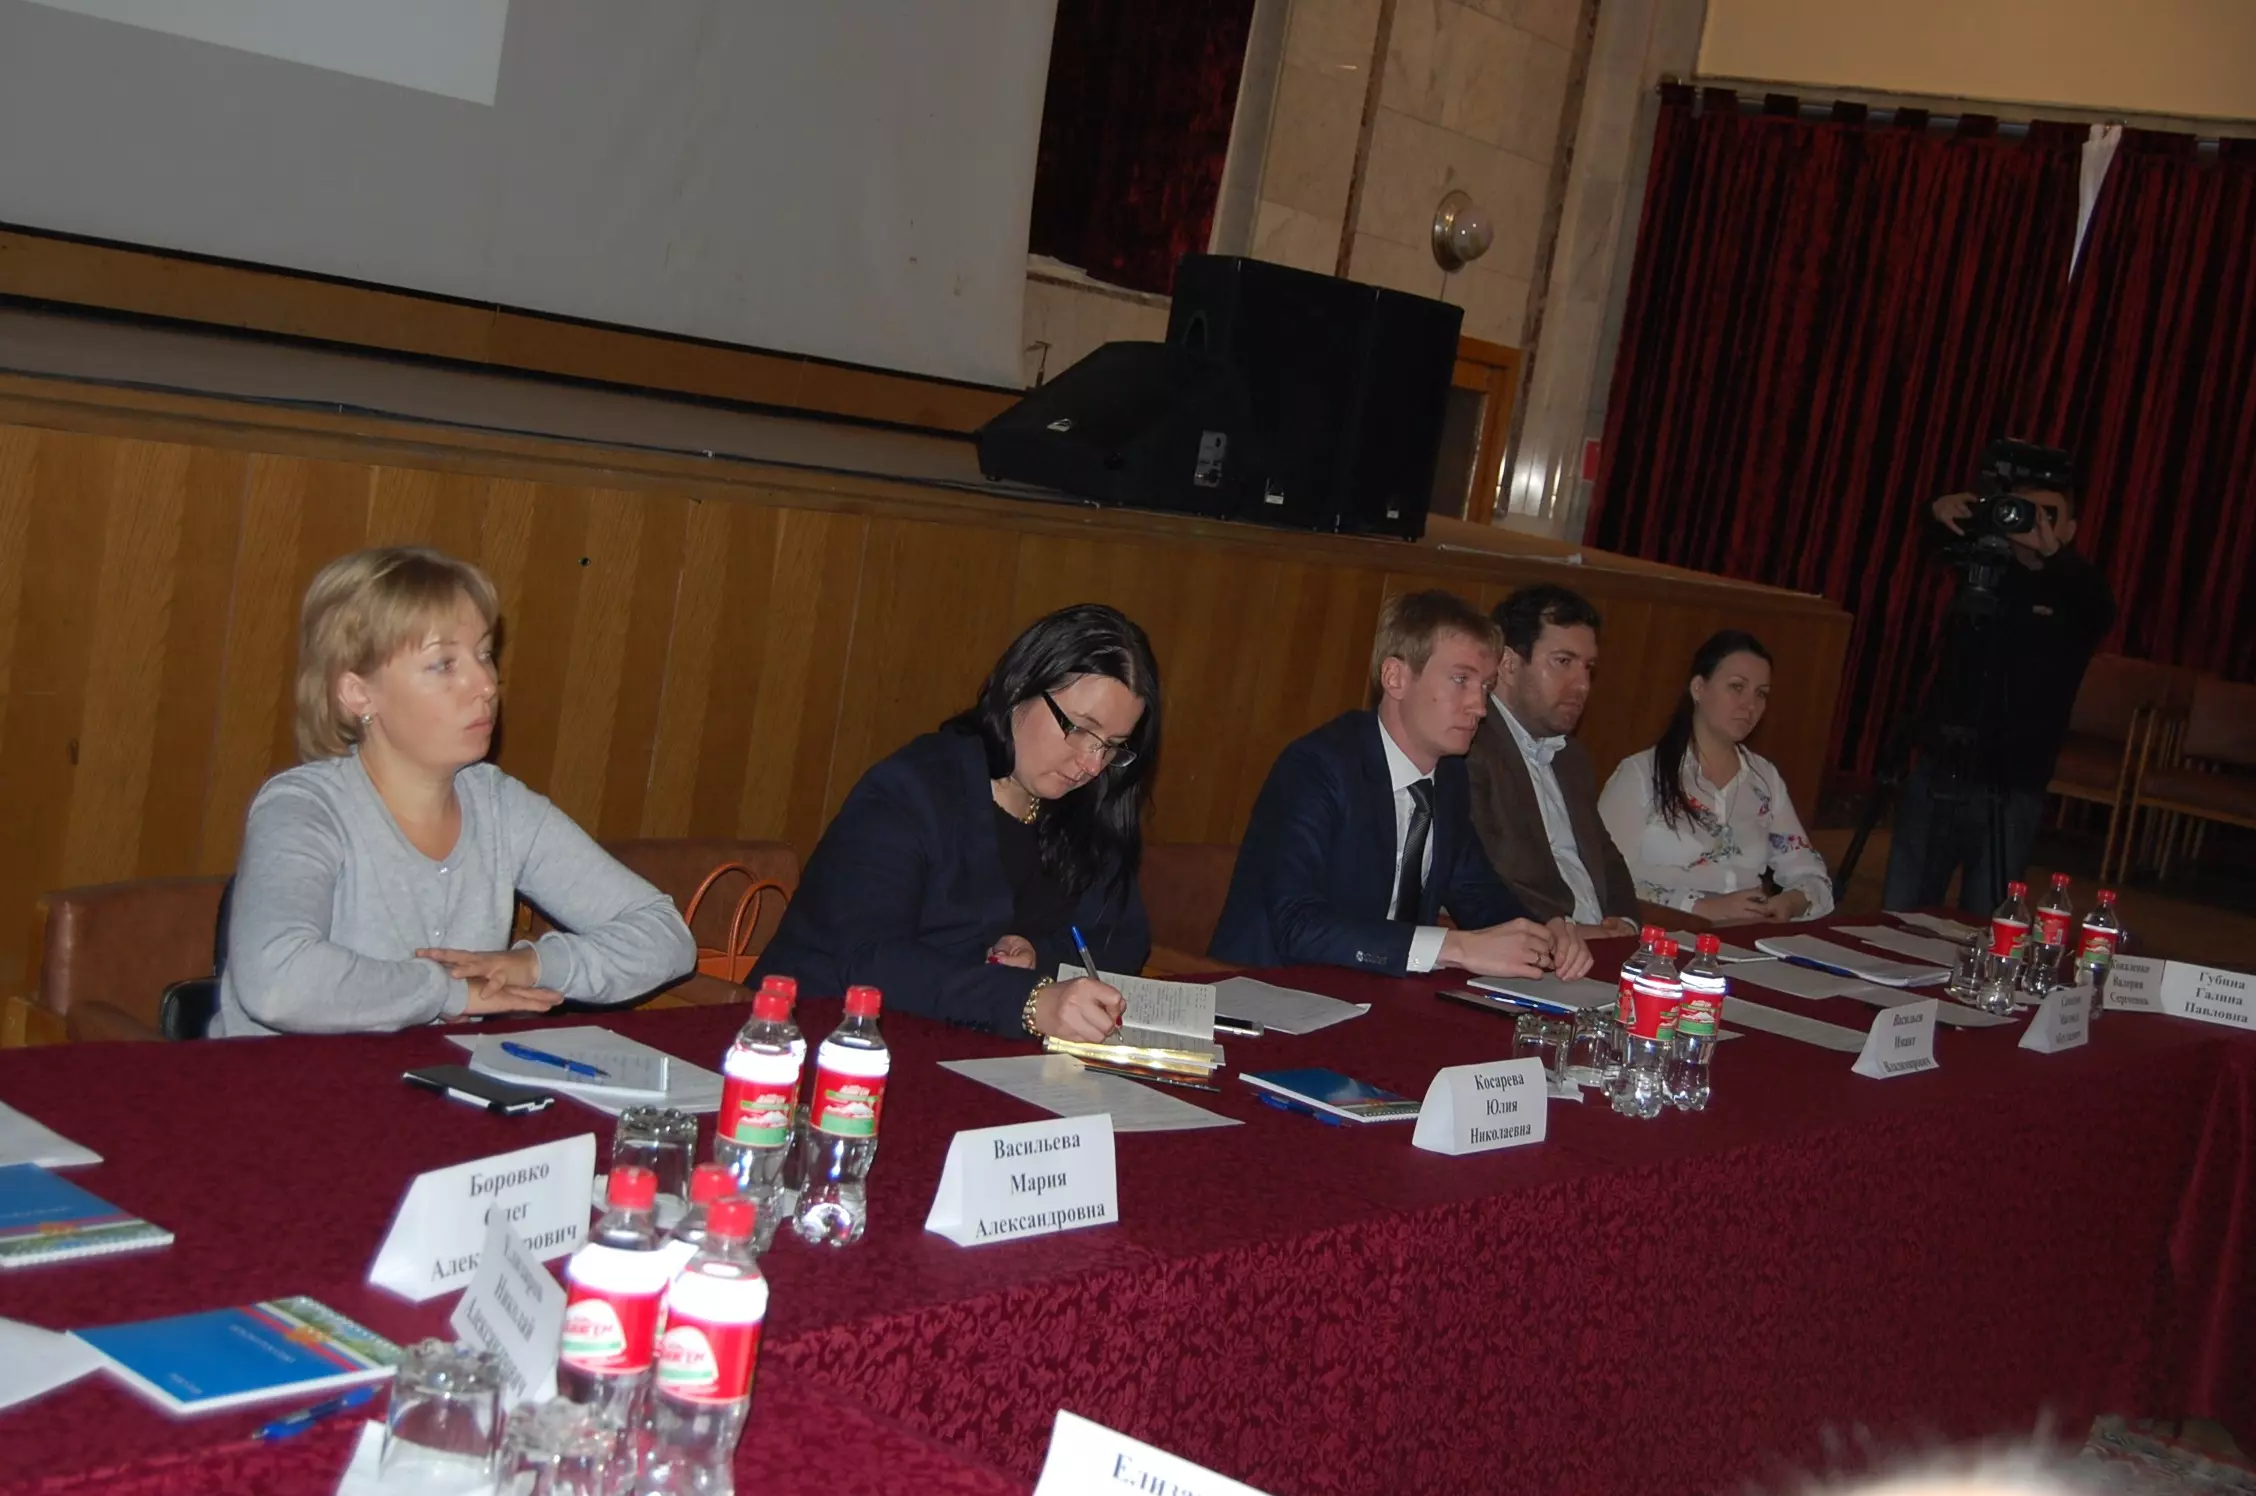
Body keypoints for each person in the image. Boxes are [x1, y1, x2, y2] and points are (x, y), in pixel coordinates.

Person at [216, 548, 695, 1037]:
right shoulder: (302, 808)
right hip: (279, 1080)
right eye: (443, 664)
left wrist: (533, 965)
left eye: (483, 654)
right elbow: (276, 983)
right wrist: (446, 992)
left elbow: (665, 935)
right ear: (358, 694)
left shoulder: (500, 807)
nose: (485, 684)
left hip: (429, 1079)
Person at [755, 605, 1156, 1039]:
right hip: (818, 1035)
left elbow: (1121, 939)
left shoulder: (1086, 804)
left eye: (1112, 745)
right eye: (1079, 729)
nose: (1092, 764)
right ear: (1020, 688)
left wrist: (1037, 956)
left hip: (966, 1051)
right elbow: (870, 959)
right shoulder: (914, 788)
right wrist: (1028, 1000)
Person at [1210, 590, 1592, 980]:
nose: (1479, 708)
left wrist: (1546, 933)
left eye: (1485, 687)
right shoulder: (1316, 768)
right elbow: (1297, 926)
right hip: (1267, 990)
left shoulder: (1449, 775)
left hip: (1373, 994)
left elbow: (1477, 892)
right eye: (1461, 680)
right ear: (1395, 678)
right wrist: (1454, 947)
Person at [1881, 474, 2115, 917]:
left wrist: (2053, 556)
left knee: (1988, 914)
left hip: (2014, 781)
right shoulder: (1985, 572)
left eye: (2050, 515)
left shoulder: (2076, 593)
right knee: (1903, 907)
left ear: (2070, 529)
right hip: (1942, 765)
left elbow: (2101, 607)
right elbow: (1931, 543)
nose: (2035, 523)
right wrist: (1937, 507)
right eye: (2025, 511)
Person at [1598, 630, 1834, 923]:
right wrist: (1700, 907)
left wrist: (1792, 901)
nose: (1750, 705)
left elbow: (1811, 874)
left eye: (1761, 693)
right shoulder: (1641, 774)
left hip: (1746, 934)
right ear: (1698, 688)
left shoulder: (1763, 778)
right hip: (1665, 933)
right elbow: (1602, 880)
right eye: (1737, 687)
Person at [1466, 585, 1640, 936]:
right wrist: (1566, 934)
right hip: (1534, 943)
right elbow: (1483, 877)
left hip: (1600, 941)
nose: (1583, 685)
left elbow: (1606, 857)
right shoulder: (1471, 747)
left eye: (1588, 667)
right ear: (1509, 664)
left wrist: (1625, 922)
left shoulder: (1571, 757)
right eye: (1563, 662)